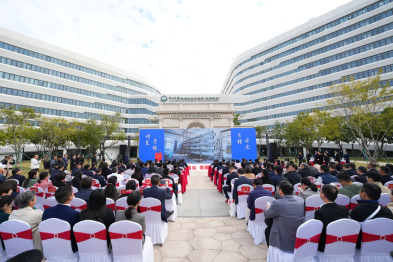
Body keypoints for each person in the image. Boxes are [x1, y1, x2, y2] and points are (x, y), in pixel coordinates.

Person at [349, 183, 393, 248]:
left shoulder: (357, 210)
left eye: (360, 191)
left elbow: (351, 230)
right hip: (384, 246)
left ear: (364, 194)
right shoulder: (387, 211)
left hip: (362, 246)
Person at [264, 180, 304, 250]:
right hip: (297, 232)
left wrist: (268, 208)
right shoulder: (300, 202)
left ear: (280, 191)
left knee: (268, 229)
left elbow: (267, 214)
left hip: (283, 235)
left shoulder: (277, 203)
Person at [42, 185, 79, 252]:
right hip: (69, 249)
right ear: (70, 197)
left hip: (49, 247)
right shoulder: (75, 214)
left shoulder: (47, 211)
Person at [314, 184, 348, 252]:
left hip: (326, 247)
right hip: (342, 242)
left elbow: (319, 232)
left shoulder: (320, 212)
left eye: (320, 191)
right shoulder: (343, 208)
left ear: (323, 195)